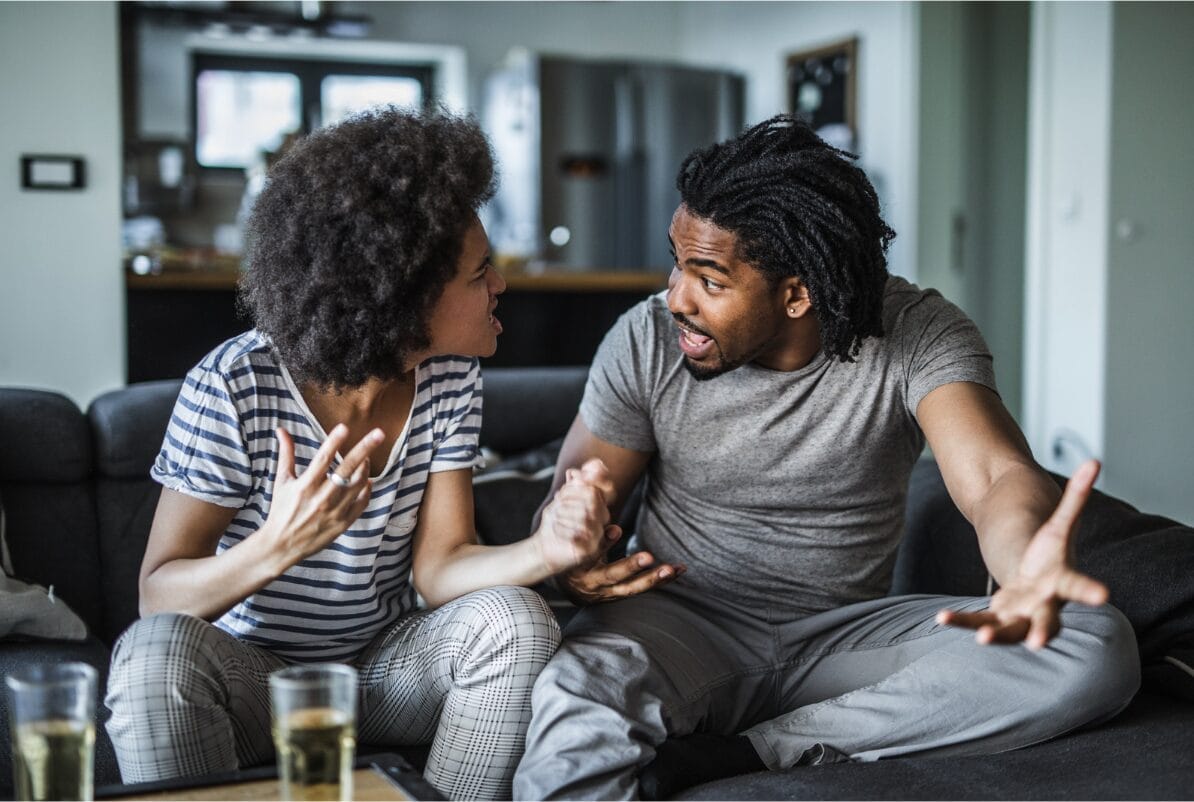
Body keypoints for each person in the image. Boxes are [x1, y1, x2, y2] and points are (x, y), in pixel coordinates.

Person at [513, 115, 1141, 800]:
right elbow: (569, 501)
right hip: (674, 622)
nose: (675, 298)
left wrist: (1023, 567)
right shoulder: (645, 339)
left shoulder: (917, 331)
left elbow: (993, 477)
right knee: (575, 699)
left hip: (840, 642)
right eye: (676, 262)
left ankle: (755, 752)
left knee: (1093, 647)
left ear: (797, 294)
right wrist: (573, 550)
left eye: (710, 281)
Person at [104, 107, 613, 801]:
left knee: (517, 621)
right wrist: (277, 545)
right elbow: (156, 595)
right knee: (149, 657)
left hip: (380, 673)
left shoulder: (449, 376)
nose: (501, 285)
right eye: (479, 273)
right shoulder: (234, 383)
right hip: (255, 681)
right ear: (402, 295)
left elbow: (440, 570)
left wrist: (548, 553)